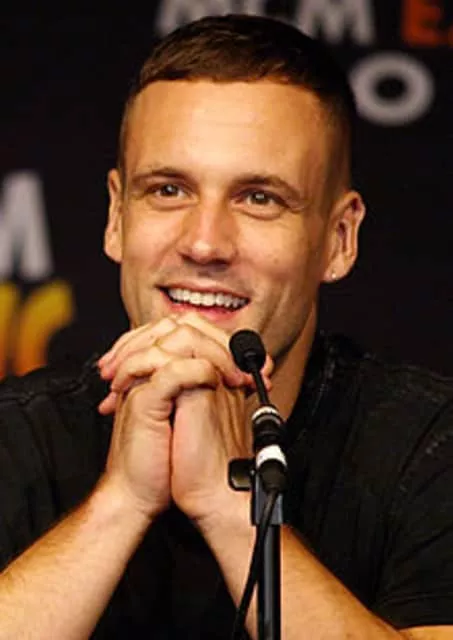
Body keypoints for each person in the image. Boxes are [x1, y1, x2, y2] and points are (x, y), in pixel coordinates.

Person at [0, 13, 453, 639]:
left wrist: (229, 505)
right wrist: (121, 503)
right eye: (168, 190)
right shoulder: (13, 438)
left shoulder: (429, 448)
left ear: (338, 239)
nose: (205, 243)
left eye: (259, 198)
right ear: (116, 217)